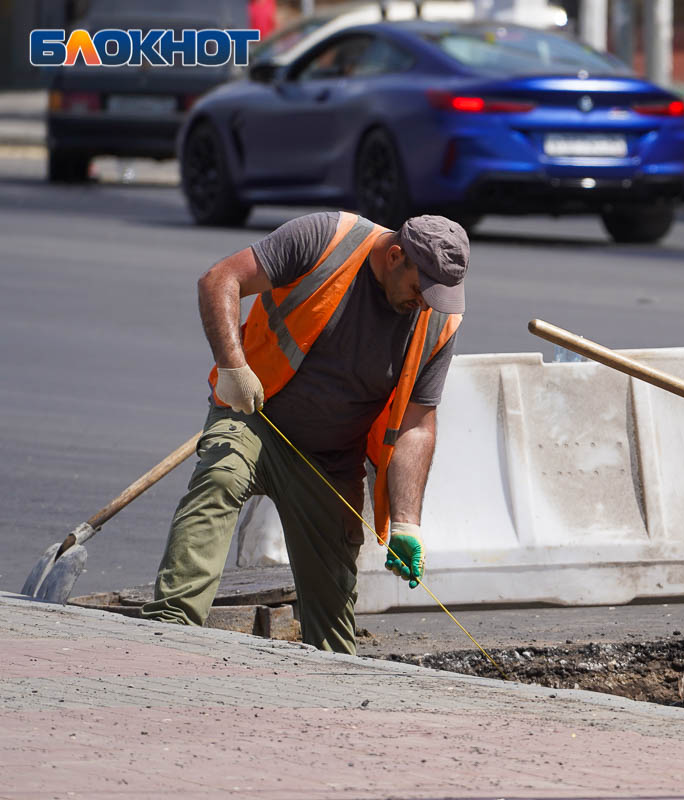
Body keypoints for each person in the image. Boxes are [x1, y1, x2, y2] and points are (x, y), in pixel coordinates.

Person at [141, 212, 468, 655]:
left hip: (331, 460)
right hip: (256, 416)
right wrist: (234, 367)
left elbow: (416, 424)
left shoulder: (437, 321)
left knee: (333, 622)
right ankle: (170, 632)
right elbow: (219, 280)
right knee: (220, 477)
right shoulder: (326, 239)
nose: (425, 303)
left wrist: (408, 523)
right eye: (419, 289)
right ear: (395, 257)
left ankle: (336, 684)